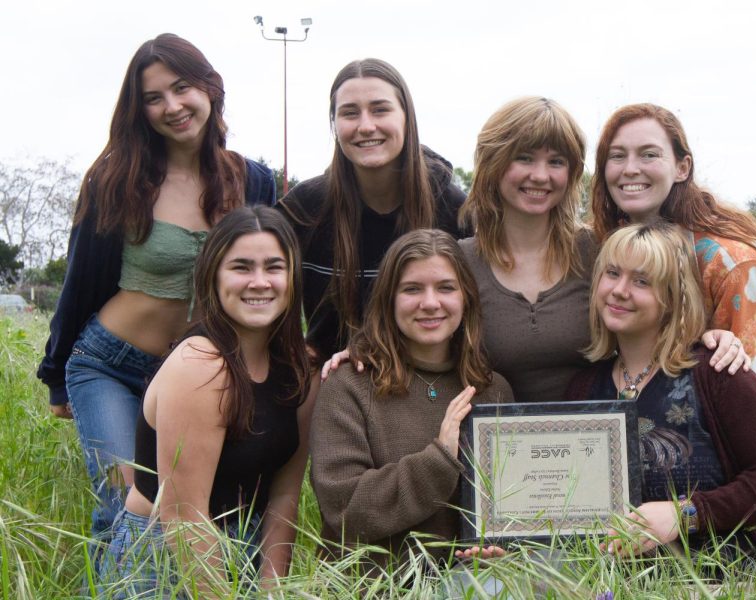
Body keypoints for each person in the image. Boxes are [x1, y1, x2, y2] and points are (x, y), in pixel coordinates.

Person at [35, 33, 276, 555]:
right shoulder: (118, 179)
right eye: (153, 97)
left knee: (193, 512)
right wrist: (57, 377)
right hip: (111, 367)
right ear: (139, 109)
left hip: (202, 372)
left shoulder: (253, 180)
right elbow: (80, 282)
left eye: (182, 87)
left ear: (209, 88)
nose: (172, 106)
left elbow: (271, 277)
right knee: (128, 510)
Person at [591, 103, 756, 548]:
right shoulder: (630, 245)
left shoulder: (733, 263)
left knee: (744, 540)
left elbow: (748, 402)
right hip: (709, 407)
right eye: (617, 156)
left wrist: (691, 510)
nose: (630, 168)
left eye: (648, 154)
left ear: (682, 166)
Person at [457, 97, 746, 404]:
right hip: (496, 444)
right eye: (524, 158)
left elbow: (664, 327)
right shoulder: (459, 263)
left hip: (603, 438)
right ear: (493, 161)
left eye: (556, 162)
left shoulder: (602, 251)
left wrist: (713, 339)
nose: (540, 176)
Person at [98, 206, 316, 596]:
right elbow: (184, 517)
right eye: (241, 267)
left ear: (293, 277)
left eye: (274, 267)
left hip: (243, 545)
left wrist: (271, 590)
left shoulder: (301, 369)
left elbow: (284, 495)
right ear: (213, 276)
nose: (260, 282)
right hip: (161, 555)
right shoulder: (200, 364)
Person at [566, 221, 756, 559]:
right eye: (612, 273)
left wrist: (684, 514)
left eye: (642, 281)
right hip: (612, 587)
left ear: (673, 297)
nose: (619, 290)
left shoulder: (719, 373)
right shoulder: (583, 388)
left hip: (720, 580)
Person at [310, 229, 513, 567]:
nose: (430, 303)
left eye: (445, 288)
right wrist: (439, 460)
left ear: (466, 298)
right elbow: (344, 509)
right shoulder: (349, 385)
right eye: (412, 289)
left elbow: (506, 507)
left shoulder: (493, 390)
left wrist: (502, 545)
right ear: (389, 299)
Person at [277, 58, 468, 362]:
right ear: (334, 124)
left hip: (432, 386)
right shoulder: (304, 210)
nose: (366, 126)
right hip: (332, 386)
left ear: (407, 117)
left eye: (380, 109)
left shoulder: (454, 211)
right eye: (350, 113)